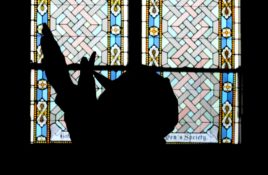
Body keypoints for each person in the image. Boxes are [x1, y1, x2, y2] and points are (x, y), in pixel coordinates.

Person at [41, 23, 179, 145]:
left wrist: (64, 82)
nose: (103, 97)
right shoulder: (143, 132)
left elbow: (84, 123)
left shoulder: (98, 138)